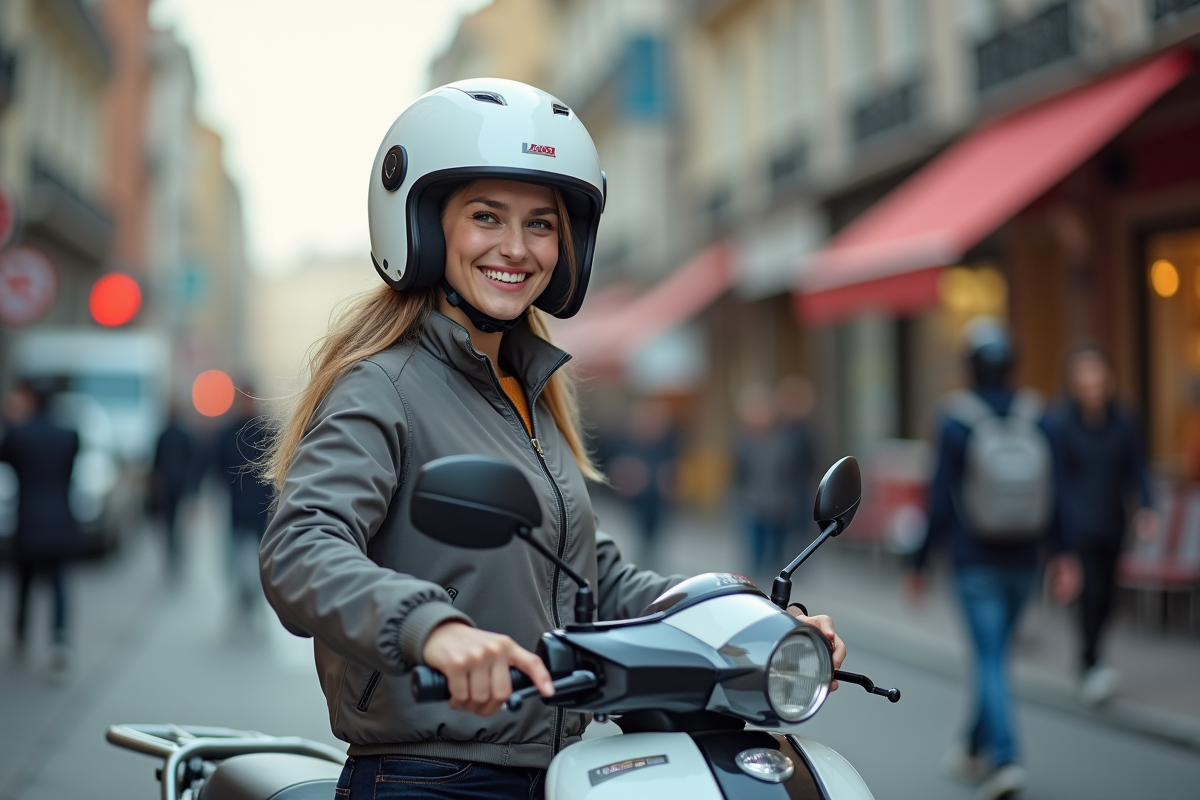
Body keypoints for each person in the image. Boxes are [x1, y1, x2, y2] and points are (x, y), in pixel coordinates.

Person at [258, 79, 846, 800]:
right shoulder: (381, 385)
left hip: (557, 772)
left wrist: (749, 623)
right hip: (429, 777)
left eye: (541, 224)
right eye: (485, 216)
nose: (516, 247)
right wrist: (431, 628)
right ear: (420, 224)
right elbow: (299, 549)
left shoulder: (527, 390)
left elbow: (586, 581)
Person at [907, 318, 1066, 800]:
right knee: (995, 656)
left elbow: (938, 500)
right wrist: (1062, 553)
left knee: (990, 657)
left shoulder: (955, 418)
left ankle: (1006, 756)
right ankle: (971, 748)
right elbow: (1057, 494)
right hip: (1026, 560)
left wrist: (916, 563)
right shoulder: (1038, 414)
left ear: (969, 366)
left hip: (973, 560)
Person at [1045, 346, 1155, 706]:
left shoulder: (1124, 421)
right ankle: (1090, 661)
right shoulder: (1061, 423)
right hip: (1077, 525)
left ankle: (1092, 658)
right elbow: (1056, 479)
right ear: (1074, 383)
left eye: (1097, 376)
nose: (1092, 384)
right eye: (1084, 378)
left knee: (1108, 595)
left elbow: (1137, 468)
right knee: (1089, 594)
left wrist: (1148, 507)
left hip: (1112, 521)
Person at [1, 380, 81, 673]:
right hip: (61, 519)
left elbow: (6, 458)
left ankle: (21, 634)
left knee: (24, 583)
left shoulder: (19, 434)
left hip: (29, 521)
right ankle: (59, 638)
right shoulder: (68, 434)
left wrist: (13, 418)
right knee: (59, 583)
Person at [214, 388, 273, 624]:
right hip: (237, 508)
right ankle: (240, 599)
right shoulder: (229, 431)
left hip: (259, 507)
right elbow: (218, 464)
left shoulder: (266, 431)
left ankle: (255, 600)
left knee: (262, 558)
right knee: (232, 560)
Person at [732, 383, 794, 578]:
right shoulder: (743, 439)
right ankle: (757, 577)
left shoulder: (783, 438)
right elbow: (738, 471)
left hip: (779, 499)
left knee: (777, 543)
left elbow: (792, 470)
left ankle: (776, 574)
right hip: (752, 498)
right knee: (755, 542)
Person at [605, 398, 677, 553]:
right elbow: (614, 467)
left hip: (656, 497)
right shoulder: (625, 441)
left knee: (653, 536)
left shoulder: (665, 442)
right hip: (633, 498)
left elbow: (671, 466)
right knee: (634, 535)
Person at [150, 405, 196, 578]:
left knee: (171, 522)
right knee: (173, 522)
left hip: (171, 485)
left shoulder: (166, 435)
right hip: (175, 485)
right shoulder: (180, 435)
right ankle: (174, 551)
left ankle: (174, 552)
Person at [776, 375, 818, 545]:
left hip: (799, 491)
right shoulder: (777, 429)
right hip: (776, 494)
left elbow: (813, 461)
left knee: (799, 537)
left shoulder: (809, 430)